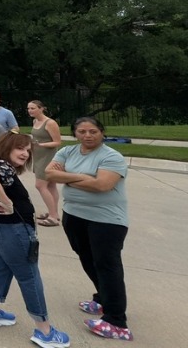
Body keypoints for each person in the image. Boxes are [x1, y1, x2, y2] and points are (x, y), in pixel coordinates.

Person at [0, 132, 71, 348]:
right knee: (29, 276)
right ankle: (44, 331)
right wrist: (7, 203)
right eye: (20, 149)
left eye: (28, 150)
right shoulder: (1, 167)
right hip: (11, 229)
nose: (25, 153)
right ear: (6, 146)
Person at [46, 117, 133, 341]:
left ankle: (116, 321)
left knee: (107, 265)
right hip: (74, 216)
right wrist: (83, 177)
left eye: (93, 131)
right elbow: (50, 173)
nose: (87, 135)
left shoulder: (111, 156)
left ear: (102, 132)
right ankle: (103, 298)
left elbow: (102, 185)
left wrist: (67, 178)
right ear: (75, 133)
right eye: (82, 131)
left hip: (106, 221)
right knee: (86, 258)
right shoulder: (68, 152)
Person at [28, 100, 62, 227]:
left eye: (33, 108)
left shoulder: (50, 123)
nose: (30, 111)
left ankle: (52, 216)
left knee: (40, 185)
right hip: (38, 155)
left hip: (48, 157)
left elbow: (57, 142)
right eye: (29, 108)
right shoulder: (35, 121)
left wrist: (40, 145)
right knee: (51, 185)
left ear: (41, 108)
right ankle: (54, 213)